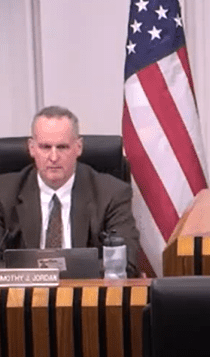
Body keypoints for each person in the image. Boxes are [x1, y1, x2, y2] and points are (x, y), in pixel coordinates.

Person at [0, 106, 140, 277]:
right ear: (31, 148)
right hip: (21, 298)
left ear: (78, 147)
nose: (53, 157)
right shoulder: (4, 194)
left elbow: (124, 264)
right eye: (45, 147)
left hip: (88, 298)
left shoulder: (112, 194)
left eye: (62, 147)